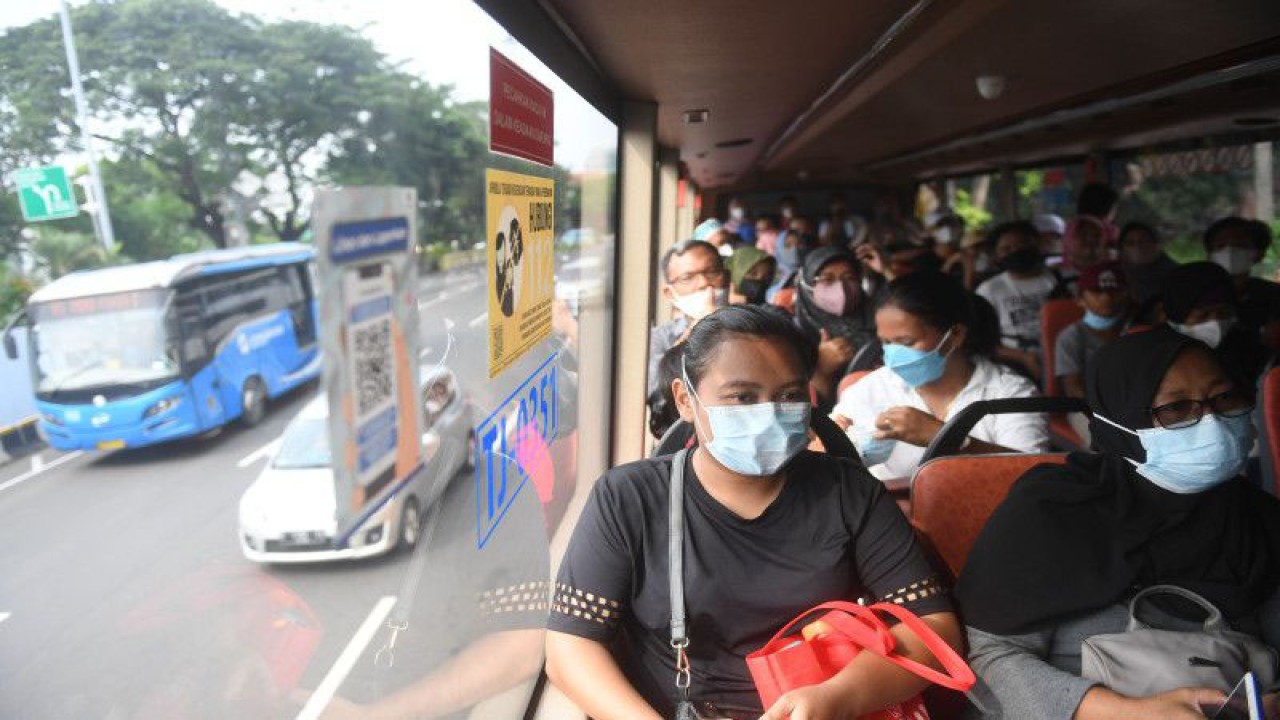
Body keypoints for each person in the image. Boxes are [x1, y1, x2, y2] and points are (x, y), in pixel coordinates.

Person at [545, 305, 962, 720]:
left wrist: (837, 698)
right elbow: (570, 647)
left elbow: (934, 627)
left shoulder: (849, 492)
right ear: (685, 400)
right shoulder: (628, 497)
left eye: (789, 396)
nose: (769, 413)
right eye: (742, 397)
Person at [956, 326, 1280, 719]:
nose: (1210, 421)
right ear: (1120, 421)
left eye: (1225, 397)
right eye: (1176, 408)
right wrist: (1128, 712)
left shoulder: (1257, 517)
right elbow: (988, 661)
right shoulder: (1053, 513)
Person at [833, 271, 1048, 481]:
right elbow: (829, 457)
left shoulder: (1010, 393)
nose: (893, 353)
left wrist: (948, 438)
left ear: (955, 335)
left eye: (906, 342)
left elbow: (1037, 476)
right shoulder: (869, 389)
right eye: (886, 342)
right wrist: (831, 446)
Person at [1162, 262, 1270, 390]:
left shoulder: (1254, 353)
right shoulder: (1160, 362)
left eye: (1224, 313)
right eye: (1203, 315)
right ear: (1177, 318)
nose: (1216, 323)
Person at [794, 247, 877, 410]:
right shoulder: (793, 337)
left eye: (850, 277)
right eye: (827, 279)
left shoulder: (880, 315)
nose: (841, 288)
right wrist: (821, 371)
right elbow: (810, 414)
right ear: (807, 284)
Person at [975, 221, 1060, 380]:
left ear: (1037, 244)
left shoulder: (1058, 280)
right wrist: (1023, 357)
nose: (1016, 251)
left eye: (1022, 244)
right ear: (996, 255)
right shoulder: (989, 290)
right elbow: (982, 342)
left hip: (1062, 353)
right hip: (1014, 362)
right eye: (1006, 249)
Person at [648, 240, 727, 395]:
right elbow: (656, 392)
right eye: (687, 278)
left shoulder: (758, 325)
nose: (704, 283)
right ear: (670, 294)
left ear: (726, 277)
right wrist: (701, 326)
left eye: (711, 272)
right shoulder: (659, 339)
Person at [1055, 262, 1131, 400]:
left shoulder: (1137, 329)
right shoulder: (1071, 337)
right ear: (1080, 299)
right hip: (1088, 406)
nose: (1106, 297)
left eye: (1114, 290)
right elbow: (1073, 388)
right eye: (1097, 291)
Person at [1204, 216, 1280, 348]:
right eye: (1221, 246)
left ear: (1259, 254)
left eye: (1240, 246)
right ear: (1209, 255)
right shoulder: (1193, 295)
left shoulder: (1274, 295)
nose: (1230, 251)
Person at [1119, 220, 1179, 308]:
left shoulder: (1176, 275)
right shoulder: (1118, 276)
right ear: (1122, 250)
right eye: (1130, 243)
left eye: (1144, 241)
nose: (1138, 246)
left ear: (1156, 245)